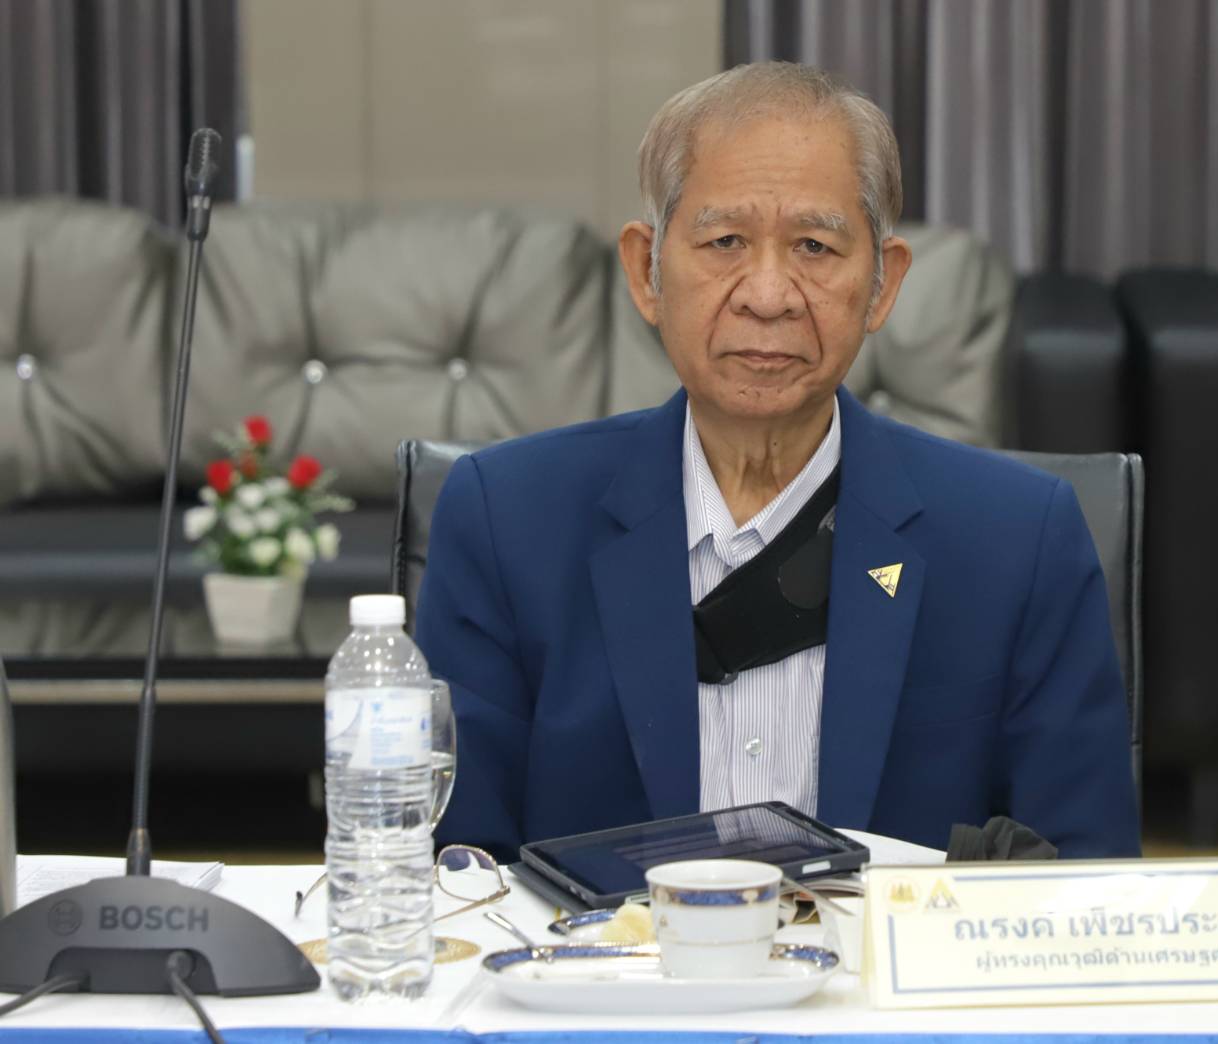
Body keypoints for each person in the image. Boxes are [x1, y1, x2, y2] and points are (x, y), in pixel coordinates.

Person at [419, 62, 1139, 858]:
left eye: (815, 246)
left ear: (882, 285)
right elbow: (456, 875)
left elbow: (1084, 883)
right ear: (646, 271)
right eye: (724, 242)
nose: (768, 294)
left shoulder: (1017, 541)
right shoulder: (506, 521)